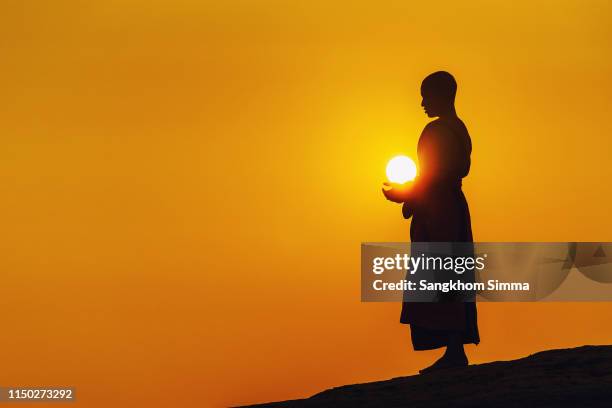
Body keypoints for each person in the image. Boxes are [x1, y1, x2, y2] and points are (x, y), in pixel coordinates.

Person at [382, 71, 479, 373]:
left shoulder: (439, 131)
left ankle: (454, 350)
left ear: (442, 95)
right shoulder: (459, 128)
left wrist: (406, 194)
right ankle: (453, 348)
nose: (422, 103)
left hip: (441, 213)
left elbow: (435, 175)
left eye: (427, 95)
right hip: (448, 208)